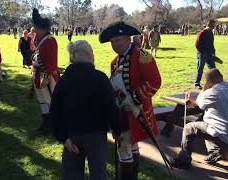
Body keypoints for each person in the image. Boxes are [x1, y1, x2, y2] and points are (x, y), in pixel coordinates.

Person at [50, 40, 122, 180]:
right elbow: (111, 108)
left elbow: (54, 111)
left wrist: (63, 137)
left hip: (72, 136)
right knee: (98, 175)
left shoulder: (64, 80)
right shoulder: (100, 78)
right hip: (96, 136)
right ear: (89, 55)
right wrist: (117, 129)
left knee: (72, 176)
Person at [99, 21, 162, 179]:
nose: (115, 44)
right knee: (129, 144)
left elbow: (155, 82)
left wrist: (134, 98)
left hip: (136, 110)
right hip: (122, 112)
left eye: (118, 40)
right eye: (112, 42)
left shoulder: (142, 56)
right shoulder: (115, 62)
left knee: (125, 147)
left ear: (128, 39)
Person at [171, 69, 228, 169]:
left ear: (209, 82)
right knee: (205, 122)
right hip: (223, 129)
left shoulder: (212, 92)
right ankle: (215, 152)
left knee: (189, 128)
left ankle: (183, 161)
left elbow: (199, 101)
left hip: (223, 134)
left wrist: (205, 87)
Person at [31, 8, 60, 134]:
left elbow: (52, 62)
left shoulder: (50, 40)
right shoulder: (41, 40)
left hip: (47, 77)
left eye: (36, 28)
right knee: (42, 101)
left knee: (51, 101)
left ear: (42, 28)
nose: (35, 31)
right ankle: (46, 123)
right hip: (38, 75)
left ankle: (55, 125)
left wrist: (46, 77)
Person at [194, 20, 216, 89]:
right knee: (200, 69)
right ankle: (197, 83)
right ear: (208, 25)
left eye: (214, 26)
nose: (213, 28)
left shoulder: (211, 33)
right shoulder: (202, 33)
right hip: (202, 54)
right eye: (212, 26)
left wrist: (213, 52)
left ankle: (214, 82)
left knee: (213, 69)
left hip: (209, 54)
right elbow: (197, 44)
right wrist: (202, 52)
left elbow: (211, 44)